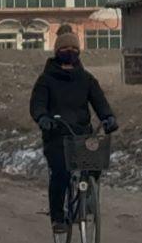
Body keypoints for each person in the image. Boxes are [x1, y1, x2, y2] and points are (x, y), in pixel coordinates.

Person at [29, 27, 118, 235]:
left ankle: (88, 199)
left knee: (95, 163)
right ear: (57, 51)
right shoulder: (46, 80)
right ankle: (58, 217)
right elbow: (38, 104)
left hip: (82, 135)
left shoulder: (86, 79)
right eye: (65, 48)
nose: (69, 51)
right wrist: (43, 118)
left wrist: (108, 117)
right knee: (60, 172)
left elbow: (99, 101)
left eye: (73, 48)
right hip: (57, 136)